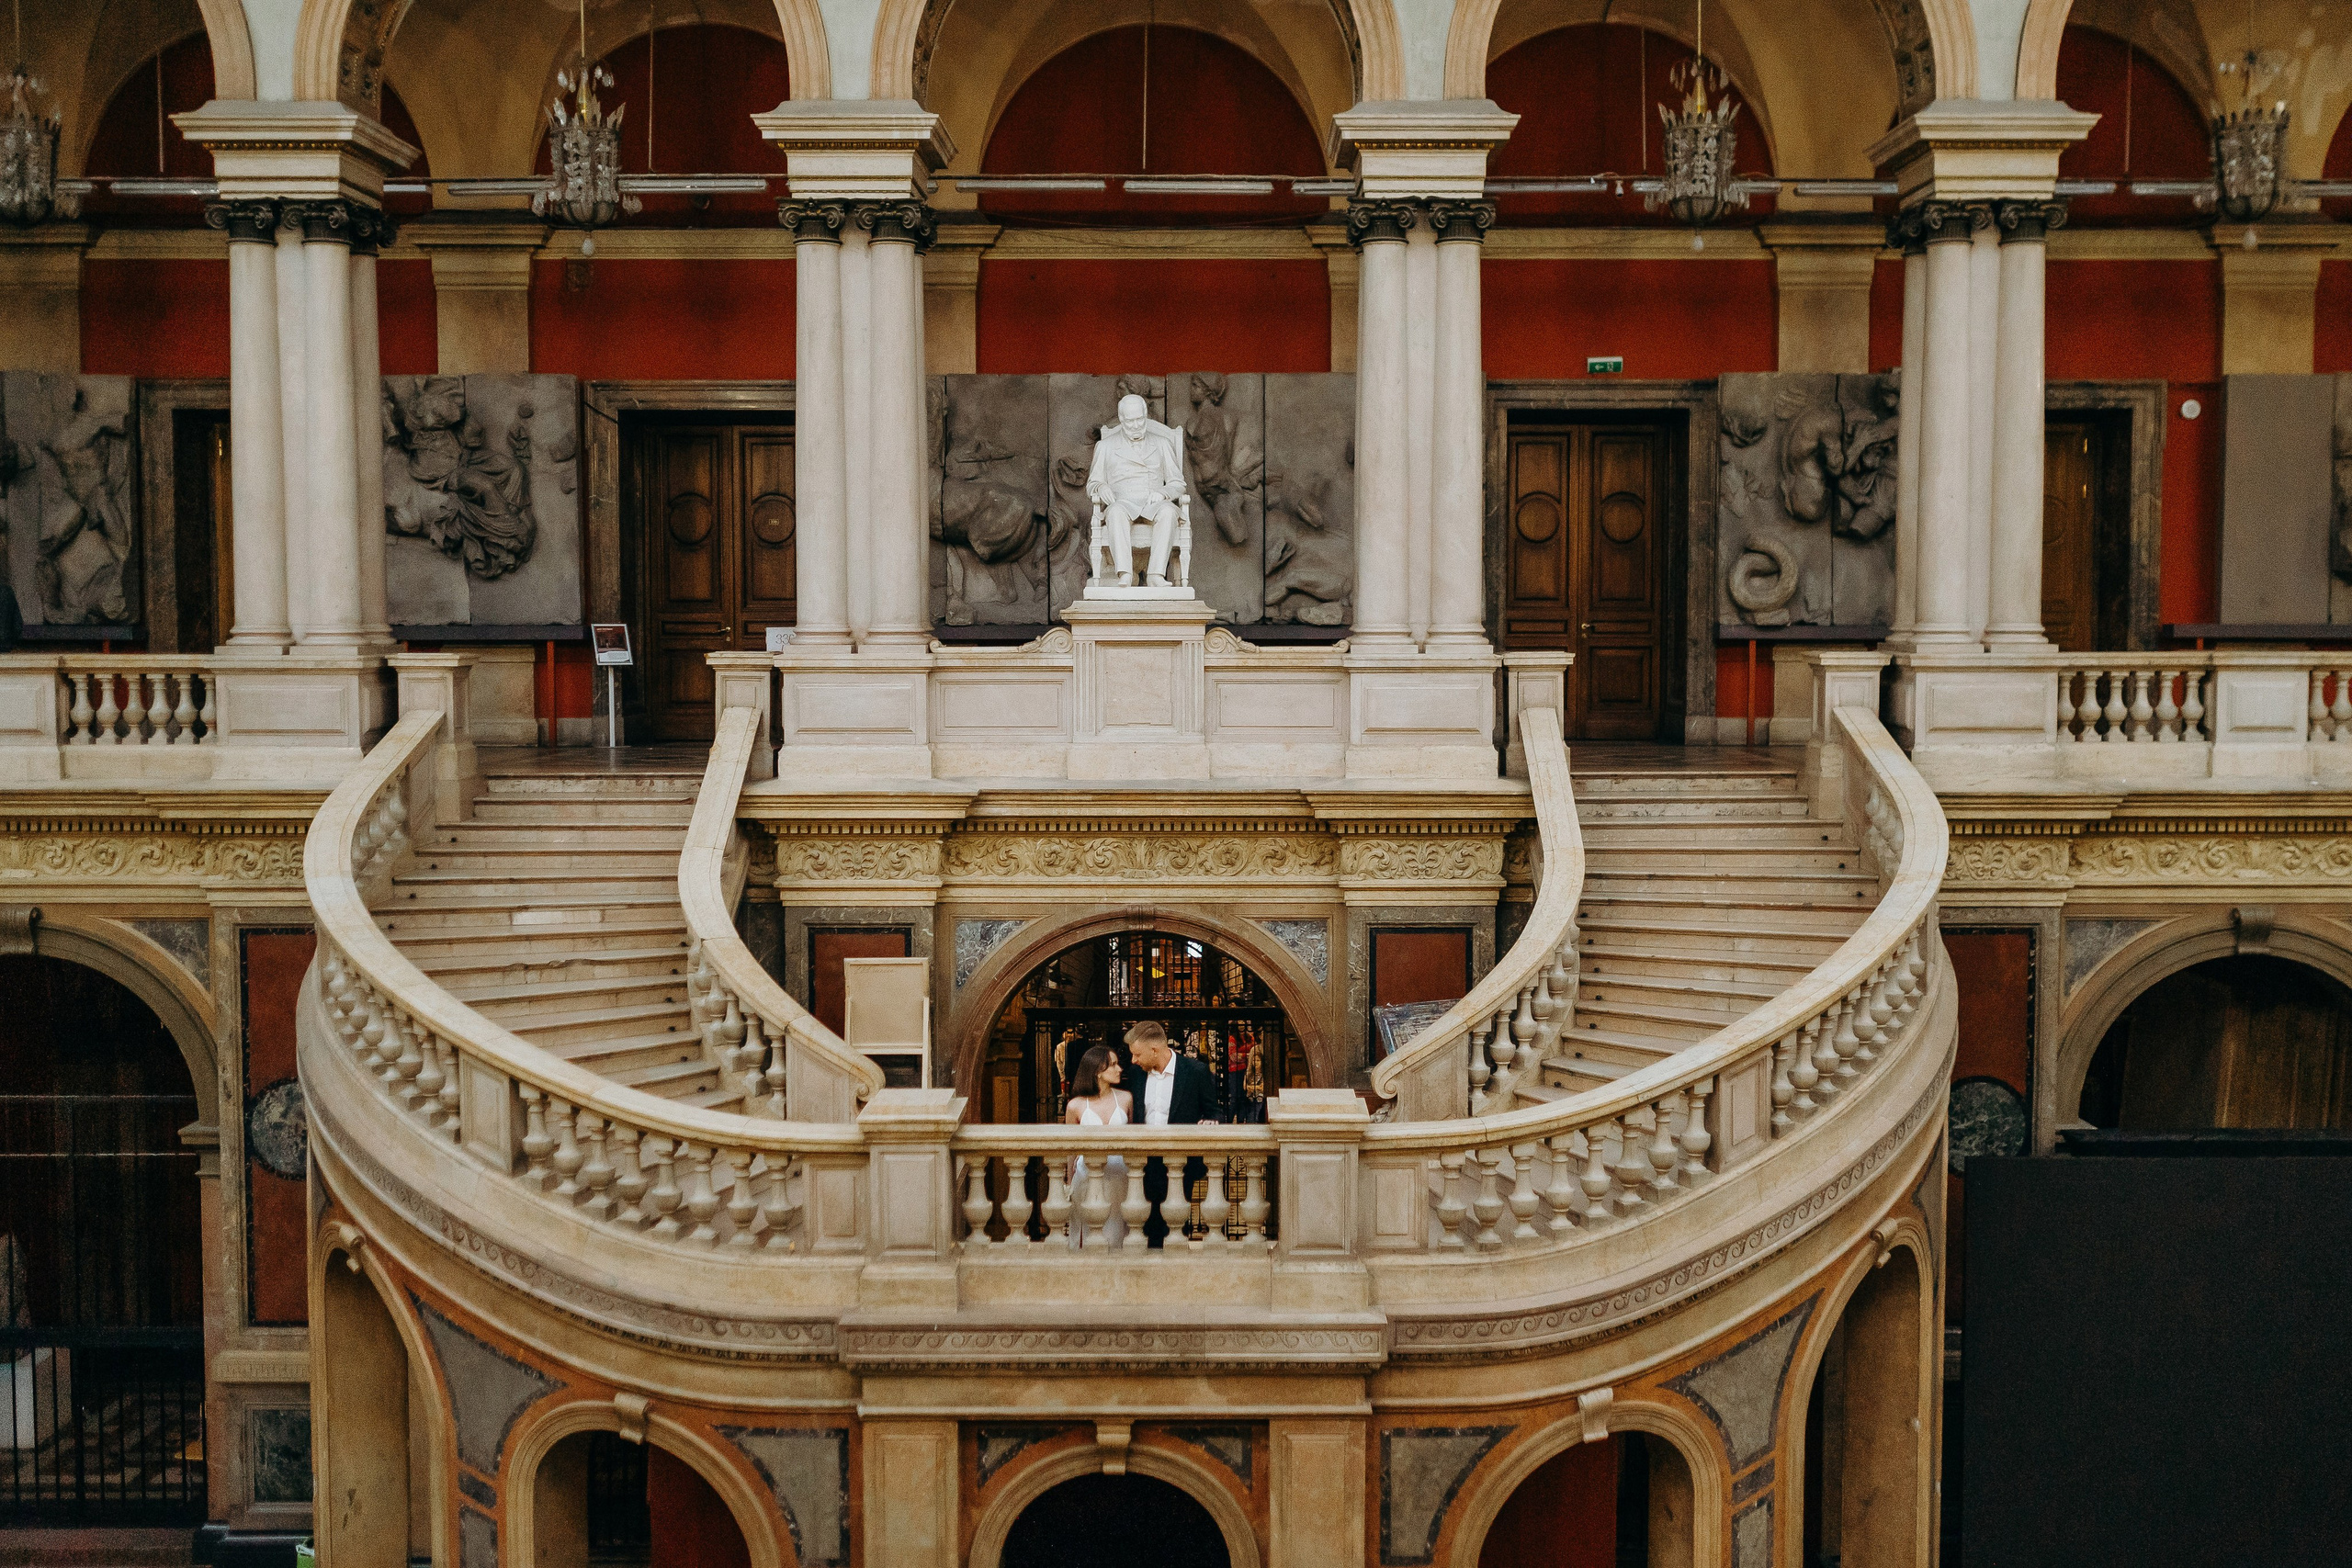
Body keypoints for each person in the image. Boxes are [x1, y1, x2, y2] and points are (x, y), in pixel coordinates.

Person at [1125, 1020, 1220, 1248]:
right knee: (1146, 1224)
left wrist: (1211, 1122)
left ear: (1154, 1050)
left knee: (1176, 1224)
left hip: (1182, 1163)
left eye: (1137, 1054)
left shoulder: (1196, 1071)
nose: (1133, 1060)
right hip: (1143, 1162)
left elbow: (1214, 1111)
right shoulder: (1136, 1074)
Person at [1062, 1045, 1131, 1248]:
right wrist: (1069, 1178)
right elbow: (1071, 1146)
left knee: (1119, 1225)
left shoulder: (1126, 1098)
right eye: (1113, 1065)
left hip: (1120, 1171)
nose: (1119, 1069)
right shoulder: (1075, 1105)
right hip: (1087, 1172)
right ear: (1097, 1071)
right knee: (1087, 1223)